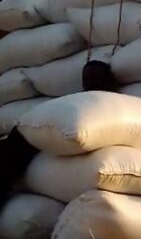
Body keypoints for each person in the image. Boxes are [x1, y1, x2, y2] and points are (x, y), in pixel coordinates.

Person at [0, 60, 119, 203]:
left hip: (40, 132)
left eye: (95, 78)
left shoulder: (103, 103)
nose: (89, 82)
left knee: (9, 162)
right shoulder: (84, 99)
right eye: (87, 78)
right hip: (33, 130)